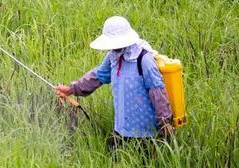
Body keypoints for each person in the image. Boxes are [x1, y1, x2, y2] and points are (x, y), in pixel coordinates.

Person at [54, 16, 174, 152]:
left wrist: (165, 122)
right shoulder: (113, 57)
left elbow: (157, 91)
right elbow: (97, 76)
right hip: (121, 129)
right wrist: (71, 89)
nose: (114, 47)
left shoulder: (144, 60)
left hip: (146, 133)